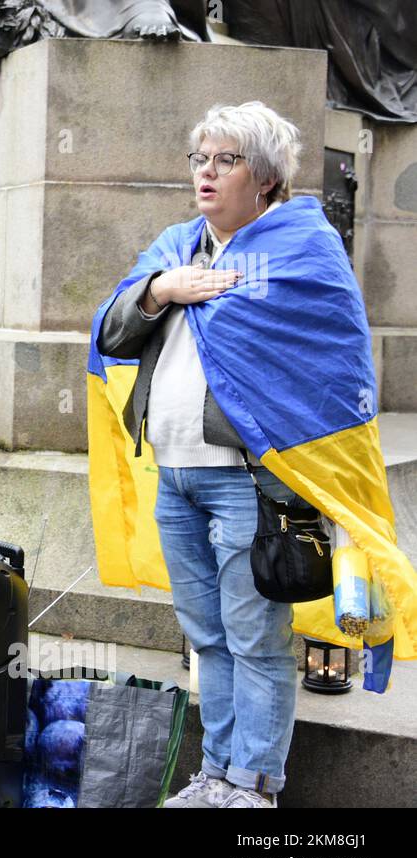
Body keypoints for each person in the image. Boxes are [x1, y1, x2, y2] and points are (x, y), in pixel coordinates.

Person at [91, 101, 416, 808]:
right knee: (206, 636)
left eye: (226, 160)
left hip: (250, 483)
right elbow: (111, 332)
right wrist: (158, 292)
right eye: (199, 159)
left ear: (265, 179)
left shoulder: (303, 248)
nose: (206, 173)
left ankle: (255, 784)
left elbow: (330, 366)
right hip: (174, 477)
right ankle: (216, 775)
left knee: (255, 639)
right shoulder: (175, 247)